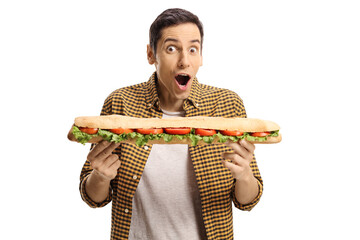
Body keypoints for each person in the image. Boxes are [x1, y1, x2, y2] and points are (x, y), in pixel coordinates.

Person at [79, 8, 263, 240]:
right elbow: (92, 197)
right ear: (150, 54)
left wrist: (244, 175)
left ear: (201, 57)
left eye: (193, 49)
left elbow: (248, 201)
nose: (184, 61)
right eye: (171, 48)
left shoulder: (228, 105)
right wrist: (101, 177)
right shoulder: (120, 104)